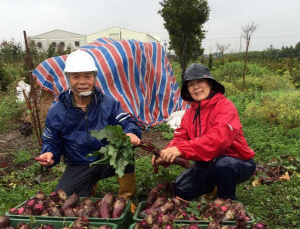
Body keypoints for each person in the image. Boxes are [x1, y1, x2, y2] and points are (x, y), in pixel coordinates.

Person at [36, 50, 141, 210]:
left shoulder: (108, 103)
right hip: (79, 163)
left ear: (94, 78)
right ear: (68, 78)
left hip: (107, 158)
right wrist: (49, 153)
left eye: (87, 76)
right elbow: (51, 140)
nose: (82, 81)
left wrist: (131, 132)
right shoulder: (57, 110)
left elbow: (125, 120)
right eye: (76, 76)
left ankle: (127, 199)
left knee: (125, 151)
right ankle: (89, 185)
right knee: (62, 201)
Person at [152, 63, 256, 200]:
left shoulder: (225, 107)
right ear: (187, 90)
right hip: (206, 163)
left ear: (210, 83)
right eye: (190, 84)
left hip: (237, 162)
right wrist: (166, 153)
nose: (196, 87)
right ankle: (212, 185)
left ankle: (226, 201)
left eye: (200, 81)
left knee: (223, 164)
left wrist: (180, 149)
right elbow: (180, 138)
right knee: (180, 190)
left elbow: (218, 139)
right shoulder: (189, 114)